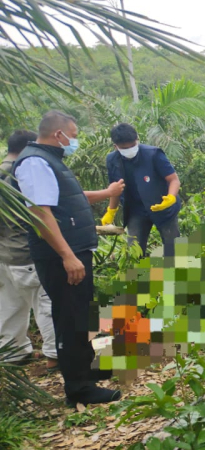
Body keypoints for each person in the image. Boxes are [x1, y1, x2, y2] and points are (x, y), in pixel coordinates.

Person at [12, 110, 125, 406]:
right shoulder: (35, 162)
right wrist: (67, 255)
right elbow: (39, 212)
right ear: (58, 134)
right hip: (61, 256)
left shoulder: (49, 160)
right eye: (73, 136)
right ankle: (78, 387)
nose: (74, 141)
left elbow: (68, 198)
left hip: (75, 251)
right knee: (69, 318)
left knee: (80, 312)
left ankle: (91, 369)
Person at [0, 130, 58, 372]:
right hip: (26, 254)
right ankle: (56, 354)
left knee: (10, 307)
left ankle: (13, 353)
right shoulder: (20, 174)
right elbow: (40, 211)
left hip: (5, 256)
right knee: (46, 304)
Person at [101, 123, 181, 257]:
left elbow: (173, 180)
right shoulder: (112, 160)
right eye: (124, 148)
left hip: (162, 207)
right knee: (134, 250)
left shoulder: (153, 154)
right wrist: (111, 211)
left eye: (132, 146)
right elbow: (115, 189)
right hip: (136, 211)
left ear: (137, 139)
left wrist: (171, 198)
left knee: (173, 249)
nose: (130, 150)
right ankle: (139, 276)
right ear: (116, 146)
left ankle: (177, 274)